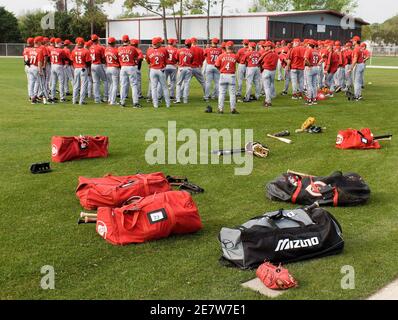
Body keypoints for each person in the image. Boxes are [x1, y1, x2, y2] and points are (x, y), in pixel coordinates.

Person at [215, 41, 239, 114]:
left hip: (223, 75)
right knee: (232, 94)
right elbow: (240, 61)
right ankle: (233, 109)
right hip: (231, 75)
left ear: (225, 47)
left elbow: (216, 65)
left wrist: (221, 70)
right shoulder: (235, 56)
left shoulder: (221, 56)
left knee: (222, 93)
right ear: (232, 47)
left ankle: (220, 109)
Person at [146, 37, 170, 108]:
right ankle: (168, 104)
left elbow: (147, 61)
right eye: (160, 42)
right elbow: (167, 59)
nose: (161, 43)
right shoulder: (164, 49)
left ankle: (155, 105)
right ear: (158, 43)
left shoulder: (149, 50)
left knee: (154, 88)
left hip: (152, 70)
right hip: (161, 70)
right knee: (165, 88)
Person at [118, 34, 140, 108]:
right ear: (129, 40)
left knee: (123, 85)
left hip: (123, 67)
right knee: (133, 85)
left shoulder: (119, 48)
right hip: (131, 66)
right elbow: (136, 57)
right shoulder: (132, 48)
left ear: (122, 40)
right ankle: (135, 103)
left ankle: (122, 102)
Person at [70, 37, 91, 105]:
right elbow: (88, 62)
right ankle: (81, 101)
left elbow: (71, 61)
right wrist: (89, 71)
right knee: (83, 85)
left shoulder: (73, 51)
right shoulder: (86, 51)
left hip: (76, 68)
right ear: (83, 43)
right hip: (83, 68)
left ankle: (74, 100)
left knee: (76, 85)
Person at [89, 34, 108, 104]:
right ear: (97, 40)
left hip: (92, 65)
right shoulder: (100, 47)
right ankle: (106, 97)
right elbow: (103, 57)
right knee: (105, 80)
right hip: (98, 65)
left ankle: (97, 98)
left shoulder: (90, 47)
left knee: (95, 82)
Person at [26, 37, 46, 104]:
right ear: (38, 42)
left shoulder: (30, 49)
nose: (41, 42)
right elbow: (39, 62)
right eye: (40, 41)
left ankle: (32, 97)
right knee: (39, 82)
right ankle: (39, 97)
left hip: (30, 67)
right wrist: (40, 70)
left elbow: (27, 60)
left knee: (31, 83)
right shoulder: (39, 50)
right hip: (36, 67)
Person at [259, 41, 279, 108]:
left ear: (269, 47)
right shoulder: (276, 54)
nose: (264, 47)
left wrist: (261, 69)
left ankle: (268, 101)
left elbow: (259, 61)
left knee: (266, 87)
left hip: (266, 71)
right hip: (273, 71)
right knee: (271, 85)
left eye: (265, 46)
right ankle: (270, 97)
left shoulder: (265, 54)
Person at [203, 38, 223, 102]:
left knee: (208, 82)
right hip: (217, 66)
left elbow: (205, 56)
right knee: (217, 82)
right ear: (217, 43)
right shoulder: (220, 50)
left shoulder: (208, 49)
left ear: (212, 42)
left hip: (209, 66)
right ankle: (214, 95)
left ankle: (206, 97)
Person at [175, 39, 193, 104]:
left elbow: (176, 59)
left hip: (181, 68)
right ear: (190, 45)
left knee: (178, 84)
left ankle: (178, 99)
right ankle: (185, 100)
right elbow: (191, 61)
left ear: (185, 44)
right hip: (188, 68)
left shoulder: (179, 50)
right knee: (186, 84)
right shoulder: (191, 51)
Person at [49, 38, 67, 103]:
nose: (61, 44)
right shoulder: (61, 50)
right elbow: (65, 58)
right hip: (59, 66)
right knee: (61, 82)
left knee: (53, 82)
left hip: (53, 65)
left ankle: (52, 97)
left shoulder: (52, 50)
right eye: (61, 43)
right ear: (58, 43)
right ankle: (62, 98)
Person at [104, 37, 120, 106]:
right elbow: (117, 59)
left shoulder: (106, 50)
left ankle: (110, 99)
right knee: (115, 85)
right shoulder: (116, 50)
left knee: (111, 84)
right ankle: (112, 101)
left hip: (108, 67)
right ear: (114, 43)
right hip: (114, 68)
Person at [304, 39, 320, 105]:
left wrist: (309, 65)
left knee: (309, 84)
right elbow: (319, 59)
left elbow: (305, 59)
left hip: (310, 67)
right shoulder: (316, 51)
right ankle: (314, 99)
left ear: (309, 44)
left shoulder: (309, 50)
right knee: (314, 84)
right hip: (316, 67)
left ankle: (309, 100)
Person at [350, 36, 365, 101]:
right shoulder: (360, 48)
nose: (352, 42)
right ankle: (359, 95)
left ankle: (357, 96)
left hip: (358, 65)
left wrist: (351, 68)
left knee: (356, 82)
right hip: (362, 64)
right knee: (358, 81)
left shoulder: (356, 49)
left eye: (353, 41)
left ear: (356, 41)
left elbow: (355, 59)